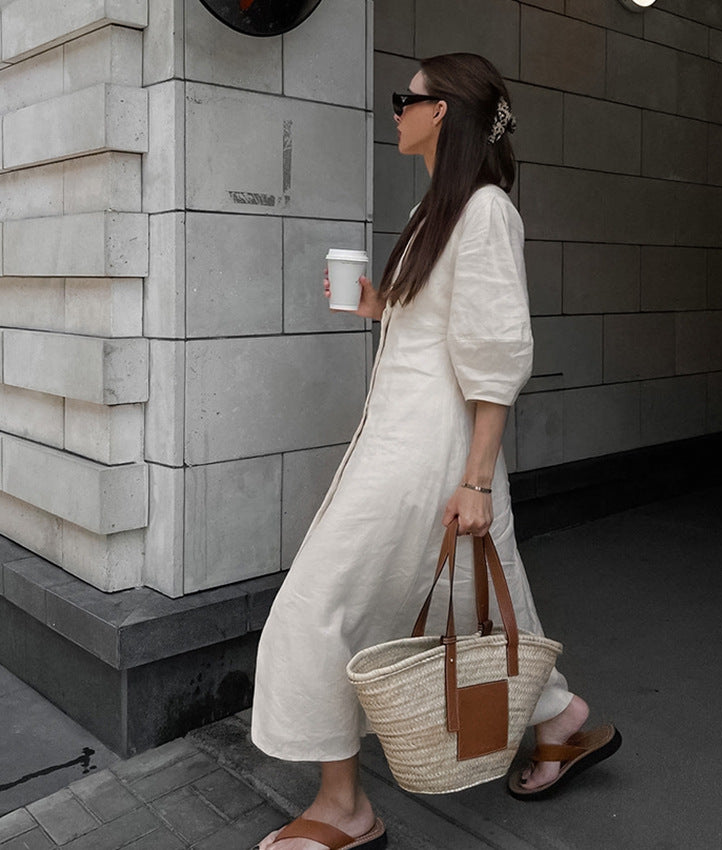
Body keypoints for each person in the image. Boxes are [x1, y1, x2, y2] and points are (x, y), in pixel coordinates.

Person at [251, 53, 620, 850]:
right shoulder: (440, 211)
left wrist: (476, 479)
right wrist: (384, 306)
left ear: (442, 113)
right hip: (411, 443)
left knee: (317, 604)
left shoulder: (483, 211)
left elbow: (494, 354)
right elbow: (439, 327)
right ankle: (561, 718)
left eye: (404, 100)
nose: (395, 113)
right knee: (476, 598)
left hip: (430, 454)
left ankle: (346, 809)